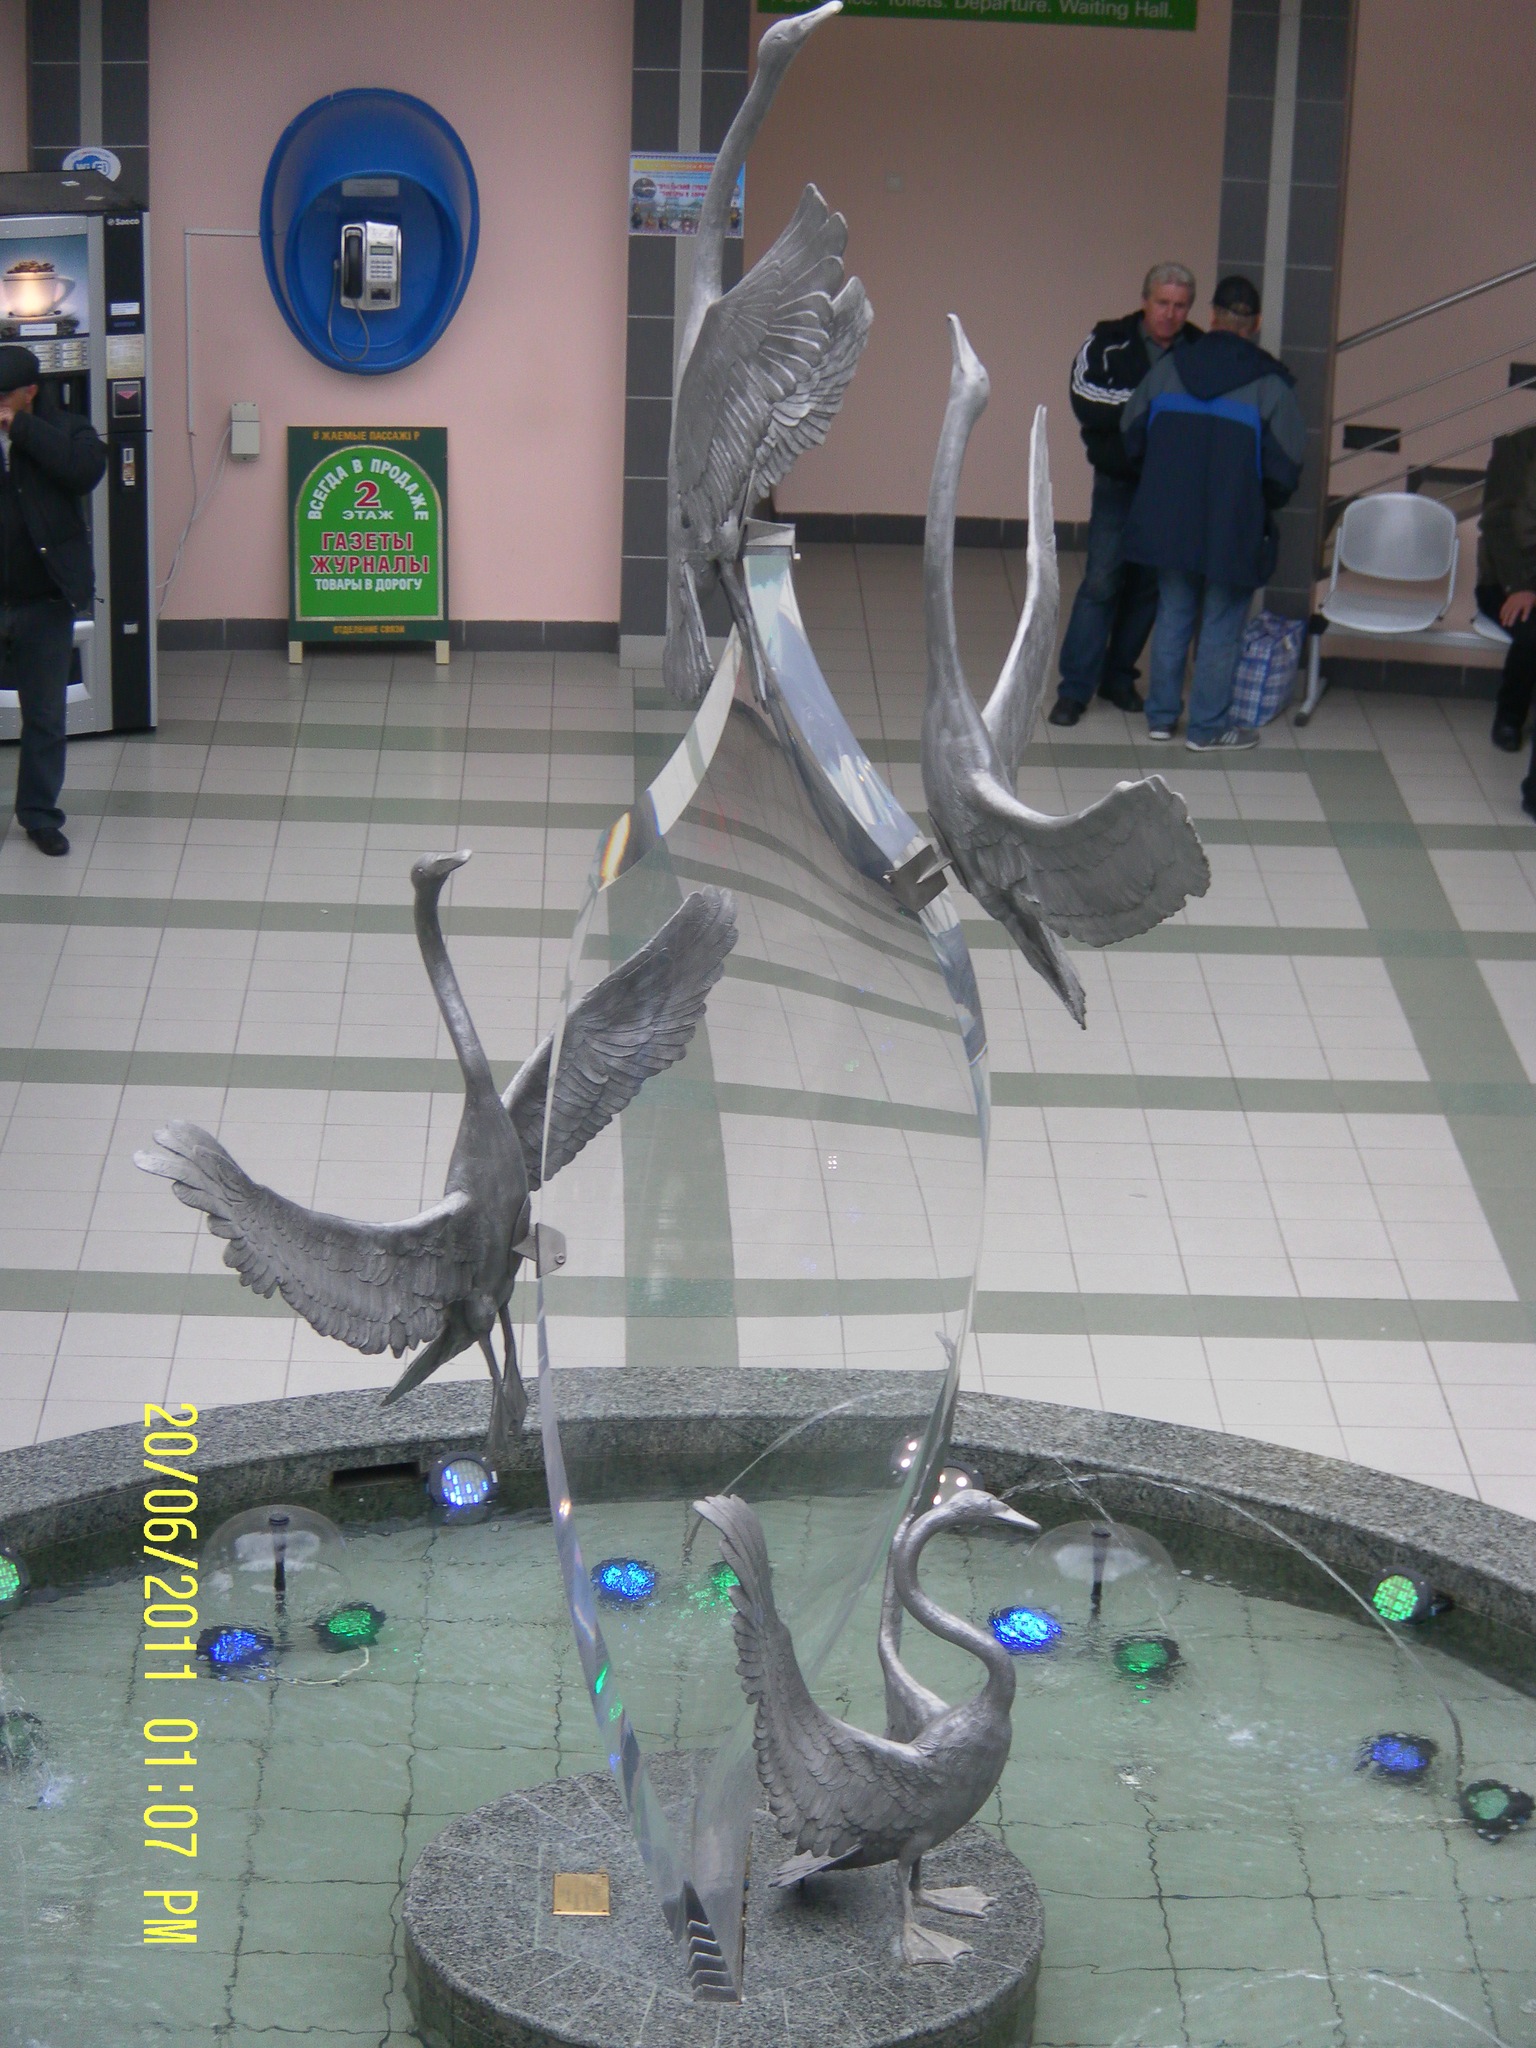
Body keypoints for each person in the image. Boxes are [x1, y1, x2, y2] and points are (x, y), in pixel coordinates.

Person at [1120, 275, 1306, 752]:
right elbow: (1285, 470)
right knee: (1222, 622)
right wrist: (1256, 505)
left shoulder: (1168, 368)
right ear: (1255, 323)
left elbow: (1131, 435)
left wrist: (1163, 485)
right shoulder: (1271, 385)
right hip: (1233, 523)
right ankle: (1206, 728)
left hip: (1169, 520)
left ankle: (1161, 718)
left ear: (1211, 317)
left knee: (1173, 612)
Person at [1047, 262, 1201, 729]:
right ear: (1145, 301)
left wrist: (1141, 407)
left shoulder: (1200, 349)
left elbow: (1207, 416)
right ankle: (1074, 689)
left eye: (1180, 306)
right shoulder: (1108, 340)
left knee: (1148, 587)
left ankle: (1118, 677)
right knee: (1101, 582)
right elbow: (1086, 399)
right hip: (1118, 482)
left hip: (1172, 489)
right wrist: (1159, 404)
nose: (1170, 314)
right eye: (1162, 303)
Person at [0, 343, 106, 856]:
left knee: (44, 717)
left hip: (44, 599)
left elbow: (83, 472)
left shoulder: (68, 430)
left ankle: (39, 815)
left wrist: (21, 430)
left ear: (30, 392)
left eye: (5, 397)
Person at [1473, 422, 1536, 753]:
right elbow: (1497, 524)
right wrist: (1522, 585)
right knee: (1532, 630)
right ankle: (1510, 716)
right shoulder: (1518, 449)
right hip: (1505, 579)